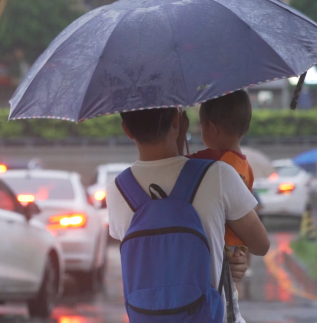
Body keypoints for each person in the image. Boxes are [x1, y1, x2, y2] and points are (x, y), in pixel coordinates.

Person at [107, 107, 269, 321]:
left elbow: (158, 257)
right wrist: (227, 258)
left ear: (126, 129)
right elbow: (260, 244)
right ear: (177, 119)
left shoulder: (117, 189)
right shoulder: (217, 174)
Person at [182, 90, 257, 322]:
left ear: (212, 129)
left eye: (201, 126)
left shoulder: (214, 162)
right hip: (235, 250)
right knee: (228, 301)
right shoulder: (247, 168)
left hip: (215, 249)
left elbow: (177, 164)